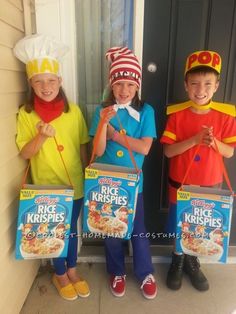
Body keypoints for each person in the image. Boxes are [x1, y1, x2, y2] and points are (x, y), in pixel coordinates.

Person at [13, 34, 90, 301]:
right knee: (53, 231)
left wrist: (86, 176)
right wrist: (41, 136)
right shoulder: (26, 113)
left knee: (70, 230)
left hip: (74, 185)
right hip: (46, 187)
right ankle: (60, 274)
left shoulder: (74, 111)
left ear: (60, 81)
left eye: (51, 80)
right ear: (31, 84)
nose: (46, 86)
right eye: (39, 81)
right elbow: (25, 153)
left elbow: (82, 146)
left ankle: (71, 268)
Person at [160, 50, 236, 292]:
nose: (200, 89)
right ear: (185, 85)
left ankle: (193, 259)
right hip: (180, 184)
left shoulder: (227, 117)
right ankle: (177, 258)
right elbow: (168, 152)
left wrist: (213, 141)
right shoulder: (177, 115)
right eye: (194, 83)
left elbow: (229, 152)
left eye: (207, 83)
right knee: (179, 222)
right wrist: (194, 140)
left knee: (200, 224)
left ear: (216, 86)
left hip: (210, 183)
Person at [89, 47, 157, 299]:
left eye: (130, 84)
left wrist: (115, 135)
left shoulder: (146, 111)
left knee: (138, 230)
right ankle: (116, 271)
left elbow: (145, 147)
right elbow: (97, 150)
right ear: (111, 85)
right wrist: (104, 124)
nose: (124, 90)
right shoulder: (101, 111)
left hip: (132, 185)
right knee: (111, 229)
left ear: (137, 85)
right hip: (106, 182)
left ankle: (145, 272)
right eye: (119, 84)